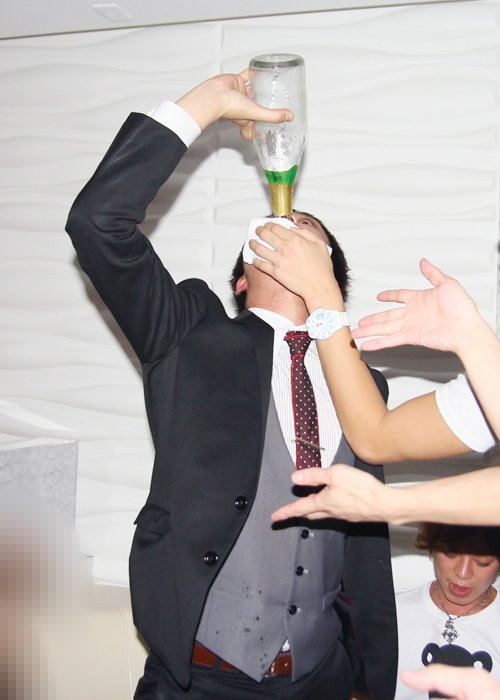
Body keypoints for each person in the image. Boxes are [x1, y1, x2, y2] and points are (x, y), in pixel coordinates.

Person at [65, 71, 397, 700]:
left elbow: (365, 545)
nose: (288, 224)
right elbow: (98, 223)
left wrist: (369, 679)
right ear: (242, 279)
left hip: (325, 676)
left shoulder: (366, 386)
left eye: (308, 230)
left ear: (330, 274)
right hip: (202, 678)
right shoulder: (192, 335)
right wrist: (206, 105)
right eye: (270, 228)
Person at [395, 524, 500, 700]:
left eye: (482, 562)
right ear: (433, 547)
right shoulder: (391, 613)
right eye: (451, 554)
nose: (463, 573)